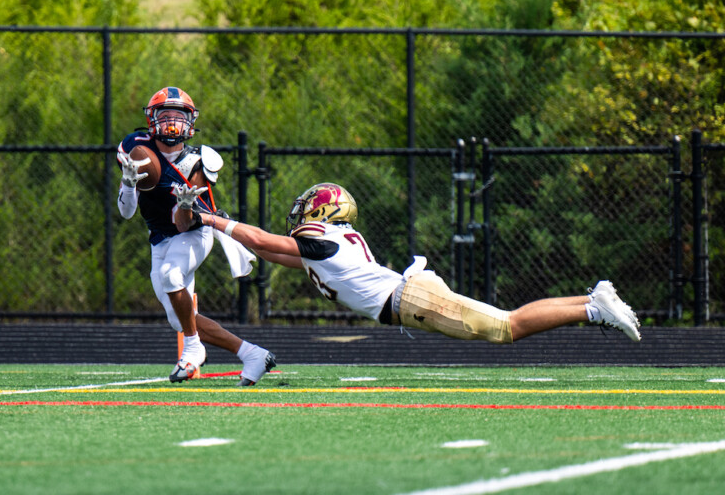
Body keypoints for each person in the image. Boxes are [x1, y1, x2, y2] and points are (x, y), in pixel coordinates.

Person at [174, 182, 642, 345]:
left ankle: (592, 307)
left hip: (411, 298)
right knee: (505, 323)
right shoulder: (325, 246)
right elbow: (267, 249)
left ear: (321, 211)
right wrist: (217, 223)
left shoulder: (322, 239)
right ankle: (592, 302)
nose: (300, 214)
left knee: (507, 327)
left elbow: (263, 239)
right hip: (409, 295)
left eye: (306, 207)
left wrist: (212, 218)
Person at [116, 86, 276, 385]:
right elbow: (126, 213)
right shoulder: (136, 148)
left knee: (170, 275)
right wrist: (127, 184)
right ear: (152, 120)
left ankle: (193, 348)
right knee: (179, 317)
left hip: (195, 232)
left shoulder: (197, 161)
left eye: (179, 116)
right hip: (159, 238)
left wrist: (186, 203)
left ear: (191, 122)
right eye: (166, 116)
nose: (172, 123)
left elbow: (183, 223)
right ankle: (252, 354)